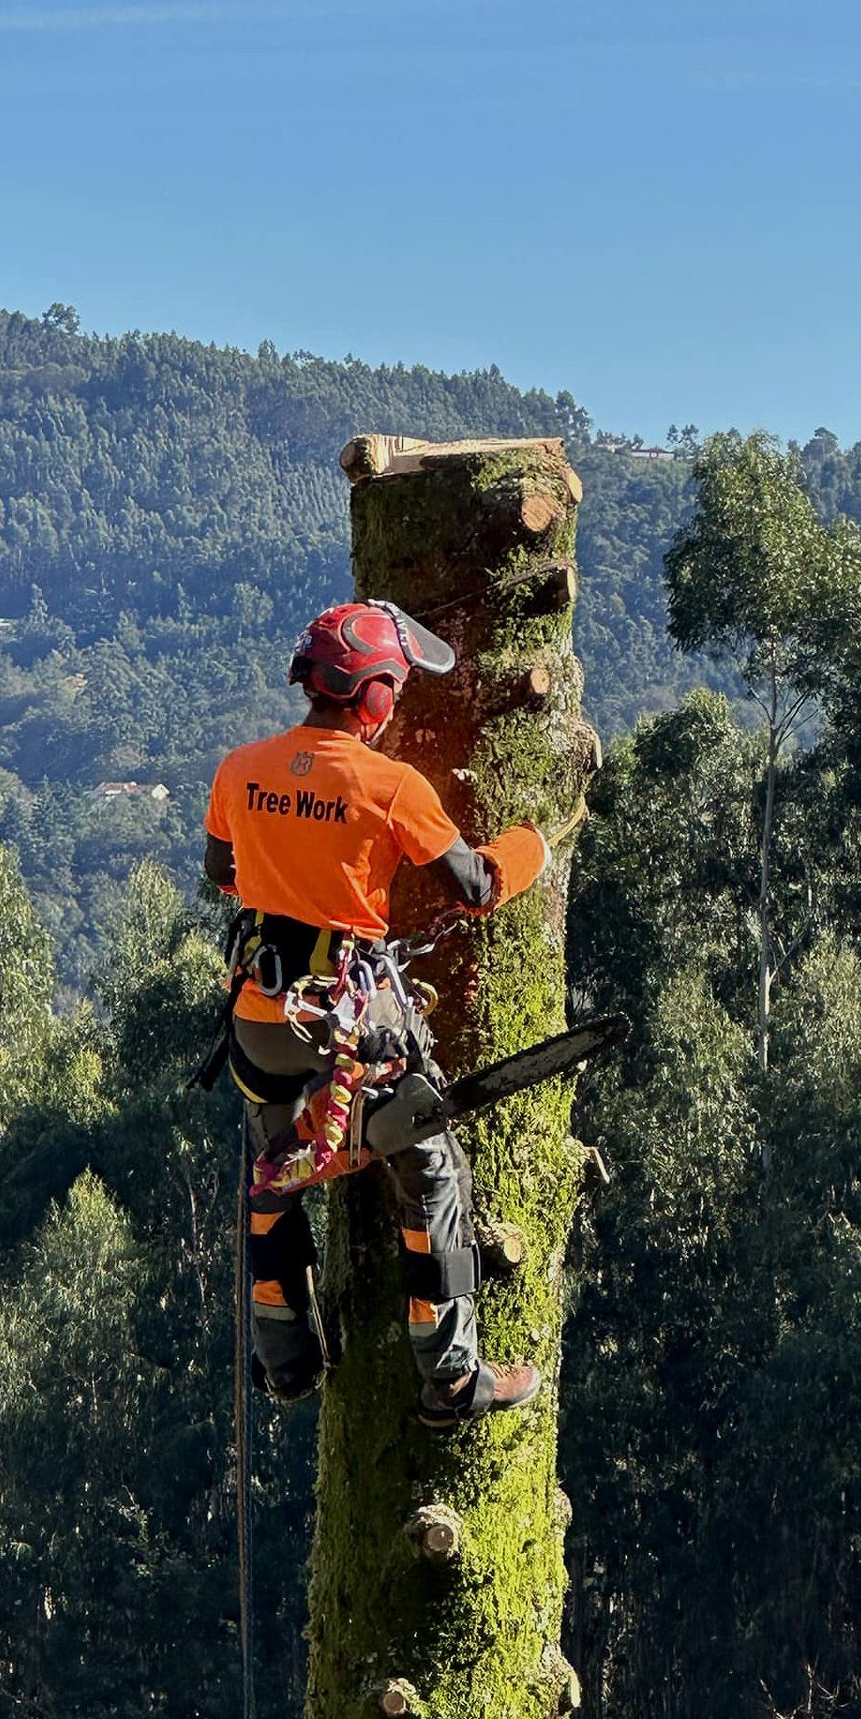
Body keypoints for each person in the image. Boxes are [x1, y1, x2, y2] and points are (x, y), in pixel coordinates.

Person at [203, 600, 550, 1426]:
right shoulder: (393, 785)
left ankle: (286, 1364)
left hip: (260, 1019)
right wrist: (531, 843)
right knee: (432, 1175)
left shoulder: (239, 768)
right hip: (352, 1028)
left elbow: (224, 873)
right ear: (375, 698)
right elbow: (476, 887)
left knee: (274, 1178)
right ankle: (453, 1377)